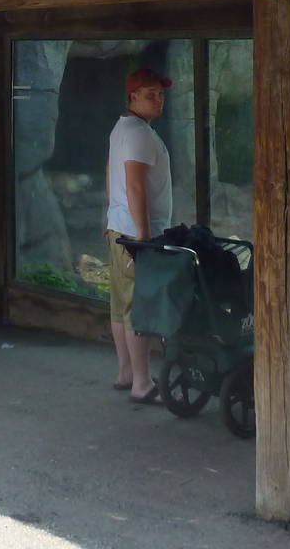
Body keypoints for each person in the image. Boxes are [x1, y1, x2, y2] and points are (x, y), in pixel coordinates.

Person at [104, 67, 174, 403]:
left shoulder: (122, 127)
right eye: (151, 94)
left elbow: (110, 173)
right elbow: (135, 184)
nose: (158, 100)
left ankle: (126, 372)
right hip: (135, 233)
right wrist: (144, 233)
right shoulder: (140, 134)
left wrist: (110, 212)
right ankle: (142, 383)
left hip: (119, 226)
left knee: (120, 304)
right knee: (138, 309)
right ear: (133, 96)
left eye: (161, 94)